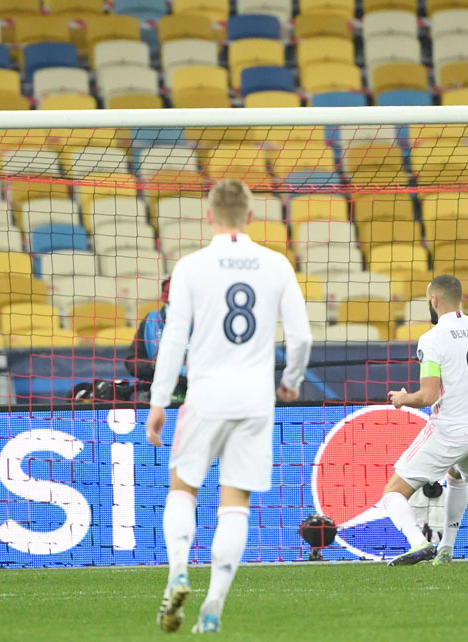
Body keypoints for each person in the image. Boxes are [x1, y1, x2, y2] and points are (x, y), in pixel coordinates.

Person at [145, 179, 313, 634]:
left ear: (209, 216)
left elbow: (174, 338)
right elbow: (301, 337)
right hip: (255, 401)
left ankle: (178, 571)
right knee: (235, 503)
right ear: (251, 216)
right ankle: (214, 604)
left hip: (204, 397)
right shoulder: (276, 264)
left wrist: (159, 401)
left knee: (183, 489)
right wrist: (291, 382)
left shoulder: (191, 266)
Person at [384, 275, 468, 566]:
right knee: (456, 477)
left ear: (433, 301)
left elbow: (428, 396)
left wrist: (403, 398)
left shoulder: (432, 339)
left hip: (449, 432)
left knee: (393, 493)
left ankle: (419, 543)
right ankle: (446, 549)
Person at [125, 277, 188, 403]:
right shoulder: (150, 321)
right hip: (155, 394)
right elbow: (132, 362)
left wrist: (178, 377)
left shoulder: (203, 322)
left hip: (196, 394)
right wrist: (154, 365)